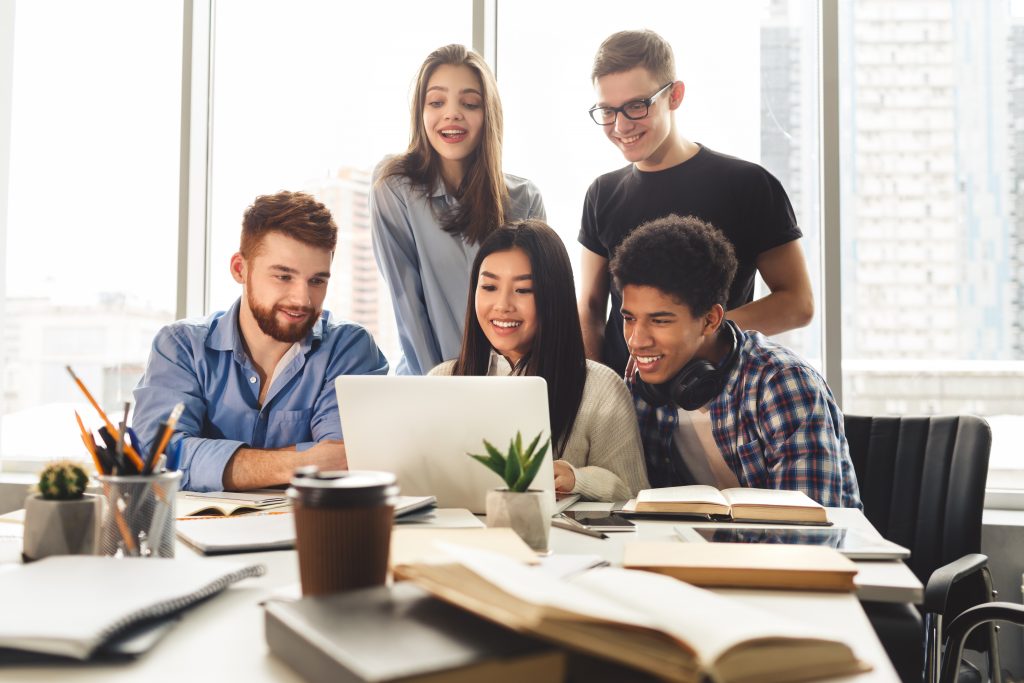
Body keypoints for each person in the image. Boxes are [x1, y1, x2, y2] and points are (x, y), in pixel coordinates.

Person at [579, 29, 814, 376]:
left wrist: (697, 335)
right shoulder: (602, 193)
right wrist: (598, 391)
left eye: (636, 106)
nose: (621, 125)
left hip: (720, 393)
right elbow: (591, 306)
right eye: (607, 111)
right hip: (630, 401)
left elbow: (798, 303)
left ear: (674, 96)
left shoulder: (748, 185)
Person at [133, 191, 388, 492]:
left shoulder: (349, 348)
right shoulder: (180, 347)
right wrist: (303, 462)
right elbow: (156, 459)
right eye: (284, 277)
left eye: (317, 281)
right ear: (240, 269)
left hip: (307, 530)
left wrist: (207, 457)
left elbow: (346, 463)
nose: (302, 299)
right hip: (195, 532)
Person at [610, 213, 860, 508]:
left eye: (660, 321)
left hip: (795, 551)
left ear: (710, 320)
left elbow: (807, 528)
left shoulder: (782, 382)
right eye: (629, 318)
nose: (637, 340)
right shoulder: (642, 385)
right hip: (692, 550)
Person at [430, 219, 648, 502]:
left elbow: (635, 495)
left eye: (523, 290)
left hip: (565, 544)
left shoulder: (600, 387)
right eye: (489, 287)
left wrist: (576, 479)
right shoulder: (442, 380)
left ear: (553, 296)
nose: (502, 305)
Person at [371, 44, 546, 376]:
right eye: (436, 102)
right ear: (420, 113)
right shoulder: (394, 188)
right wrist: (442, 392)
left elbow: (537, 308)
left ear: (488, 114)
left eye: (469, 103)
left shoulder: (525, 199)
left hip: (510, 384)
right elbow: (408, 306)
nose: (451, 114)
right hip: (430, 382)